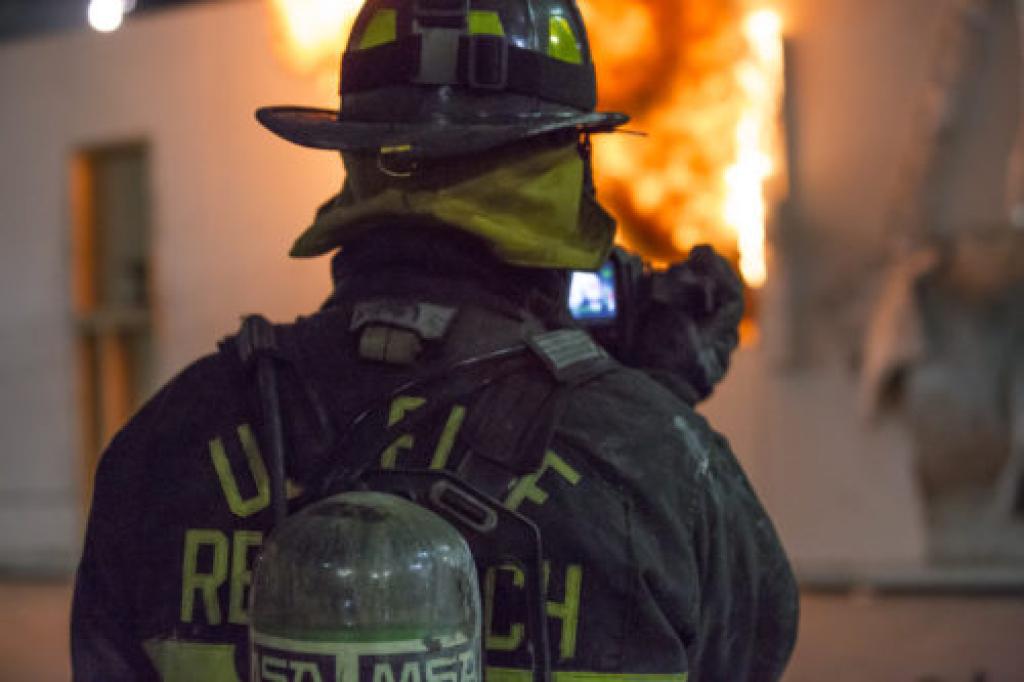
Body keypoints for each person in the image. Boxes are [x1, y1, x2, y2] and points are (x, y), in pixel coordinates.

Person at [71, 1, 798, 680]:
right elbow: (737, 641)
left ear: (356, 158)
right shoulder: (663, 465)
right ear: (562, 168)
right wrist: (645, 409)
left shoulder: (166, 444)